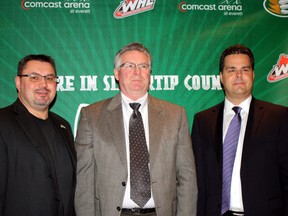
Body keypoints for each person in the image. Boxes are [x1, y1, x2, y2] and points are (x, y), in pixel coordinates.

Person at [74, 42, 197, 216]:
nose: (137, 72)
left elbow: (187, 178)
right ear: (117, 73)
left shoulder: (176, 115)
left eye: (143, 66)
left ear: (150, 73)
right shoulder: (92, 116)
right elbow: (84, 181)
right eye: (129, 66)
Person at [191, 44, 288, 216]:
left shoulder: (278, 117)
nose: (238, 75)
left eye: (245, 69)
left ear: (253, 75)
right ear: (221, 77)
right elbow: (198, 179)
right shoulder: (202, 121)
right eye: (231, 70)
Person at [0, 54, 76, 216]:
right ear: (18, 83)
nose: (43, 84)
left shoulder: (64, 126)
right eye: (34, 77)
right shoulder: (2, 122)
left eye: (49, 78)